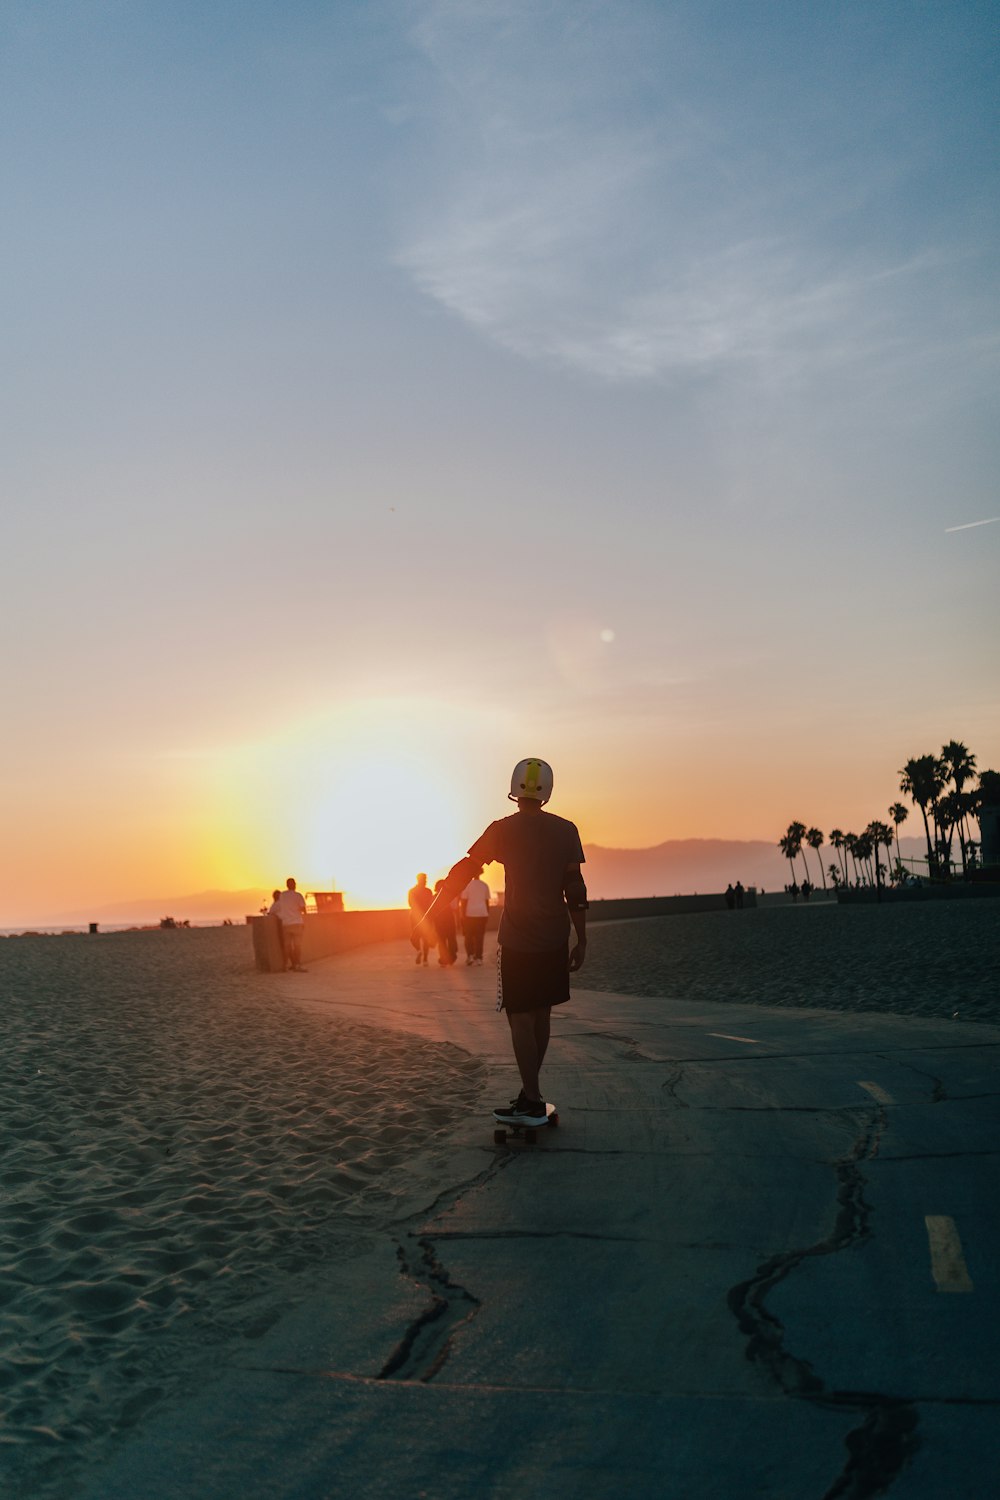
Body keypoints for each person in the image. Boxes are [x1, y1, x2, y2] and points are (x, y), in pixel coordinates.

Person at [417, 757, 587, 1129]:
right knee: (541, 1014)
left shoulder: (502, 829)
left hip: (519, 940)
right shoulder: (566, 830)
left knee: (520, 1018)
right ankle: (531, 1093)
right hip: (555, 937)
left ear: (515, 788)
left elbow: (464, 870)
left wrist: (430, 913)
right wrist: (582, 937)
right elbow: (575, 888)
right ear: (548, 790)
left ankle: (531, 1099)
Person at [274, 877, 307, 971]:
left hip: (286, 924)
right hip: (297, 923)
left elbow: (279, 907)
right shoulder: (298, 895)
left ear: (287, 885)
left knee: (287, 946)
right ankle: (297, 965)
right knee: (297, 946)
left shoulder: (282, 895)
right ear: (294, 885)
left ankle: (285, 965)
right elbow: (303, 909)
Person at [460, 865, 491, 964]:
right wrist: (487, 914)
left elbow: (464, 902)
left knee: (468, 936)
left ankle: (470, 956)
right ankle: (479, 958)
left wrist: (462, 915)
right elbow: (487, 902)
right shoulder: (485, 885)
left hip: (469, 914)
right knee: (480, 937)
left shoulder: (467, 885)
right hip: (482, 914)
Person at [407, 872, 434, 965]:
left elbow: (410, 903)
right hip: (426, 916)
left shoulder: (412, 891)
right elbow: (431, 904)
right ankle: (425, 959)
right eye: (425, 879)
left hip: (414, 916)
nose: (426, 881)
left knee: (414, 937)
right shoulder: (428, 891)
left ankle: (419, 950)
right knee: (425, 938)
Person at [431, 879, 459, 965]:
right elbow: (455, 907)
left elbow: (431, 911)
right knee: (451, 939)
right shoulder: (450, 896)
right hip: (449, 920)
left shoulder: (434, 897)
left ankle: (444, 958)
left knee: (442, 941)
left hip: (439, 921)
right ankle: (451, 956)